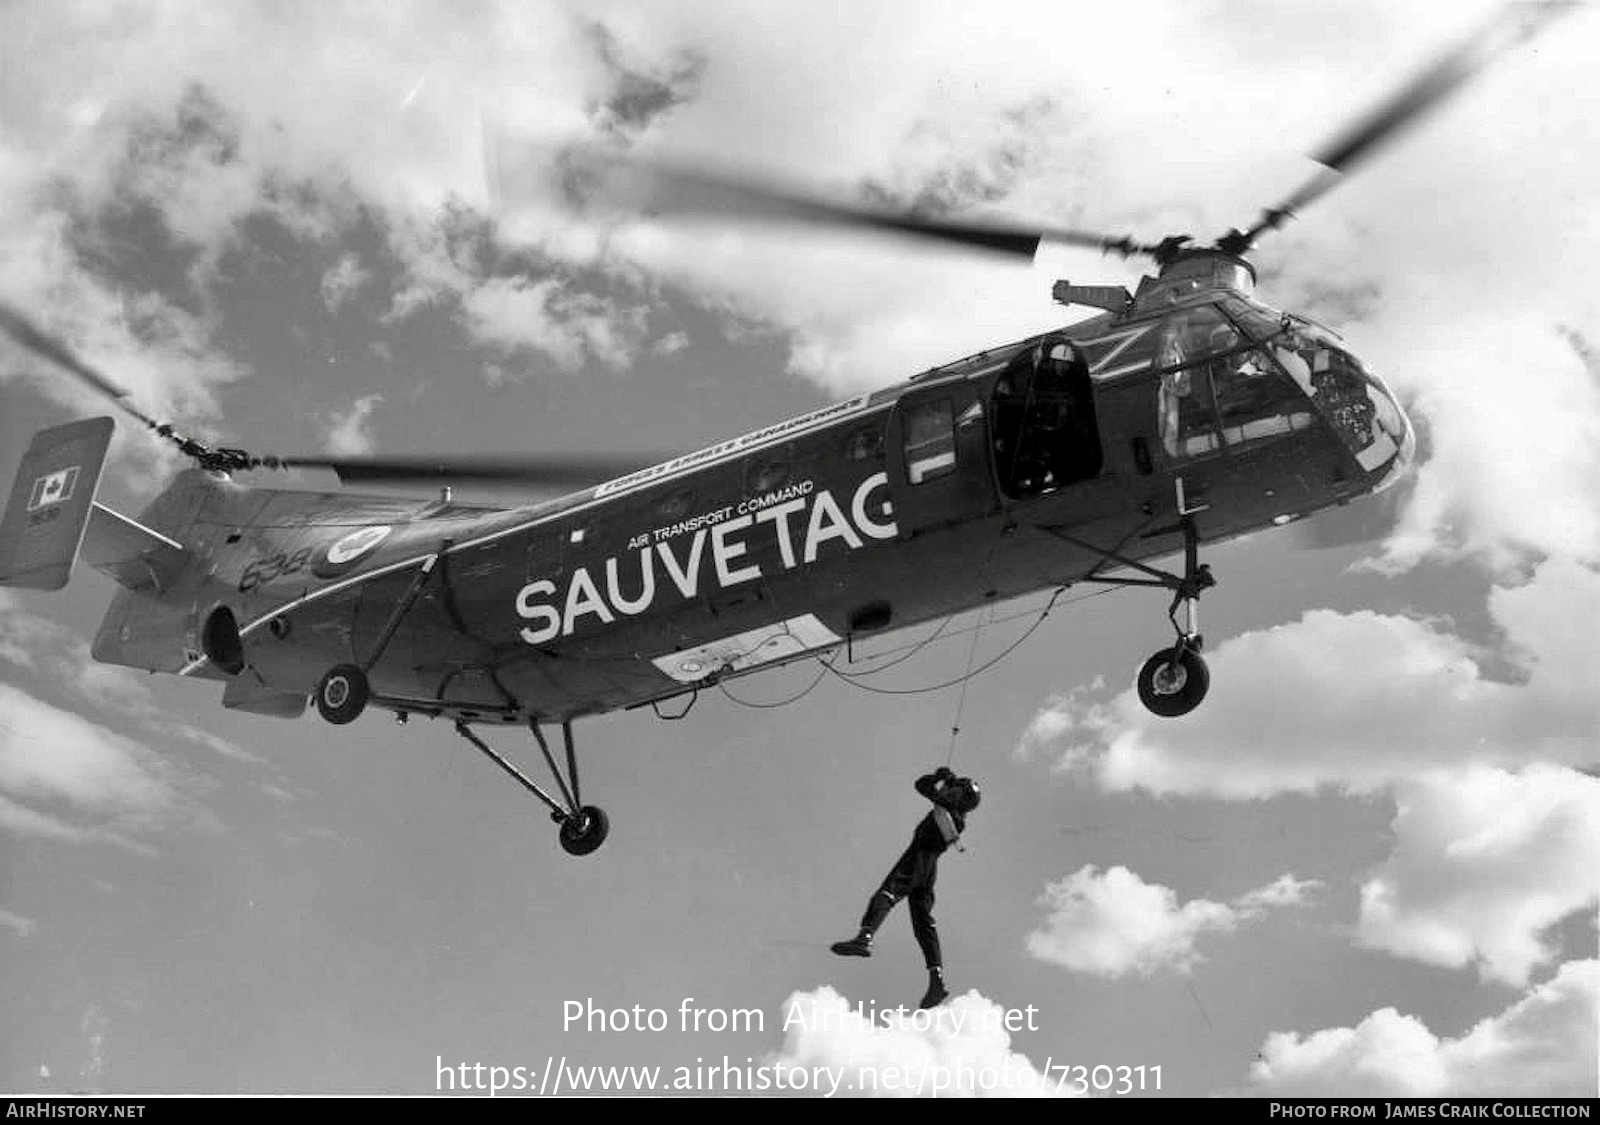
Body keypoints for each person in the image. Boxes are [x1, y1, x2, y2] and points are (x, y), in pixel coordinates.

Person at [830, 767, 981, 1009]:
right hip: (928, 868)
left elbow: (922, 787)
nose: (953, 792)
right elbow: (926, 787)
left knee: (888, 892)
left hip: (919, 859)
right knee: (923, 923)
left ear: (961, 799)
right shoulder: (952, 811)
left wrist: (940, 779)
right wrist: (941, 779)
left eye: (958, 790)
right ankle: (936, 981)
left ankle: (864, 938)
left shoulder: (951, 812)